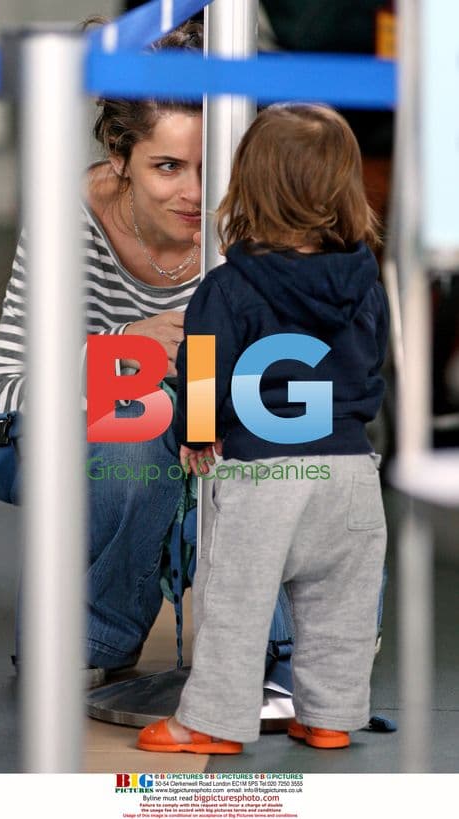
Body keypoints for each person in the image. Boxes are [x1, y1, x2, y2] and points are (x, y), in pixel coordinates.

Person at [0, 21, 293, 691]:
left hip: (202, 430)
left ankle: (278, 646)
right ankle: (89, 636)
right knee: (136, 434)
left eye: (212, 169)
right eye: (167, 166)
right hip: (78, 432)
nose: (193, 194)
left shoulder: (253, 222)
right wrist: (117, 352)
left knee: (286, 443)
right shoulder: (67, 218)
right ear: (120, 157)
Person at [138, 103, 389, 754]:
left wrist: (198, 432)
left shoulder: (230, 286)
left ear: (248, 184)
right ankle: (329, 715)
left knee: (238, 604)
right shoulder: (364, 279)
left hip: (264, 474)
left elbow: (202, 367)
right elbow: (371, 365)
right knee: (341, 606)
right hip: (351, 474)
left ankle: (210, 723)